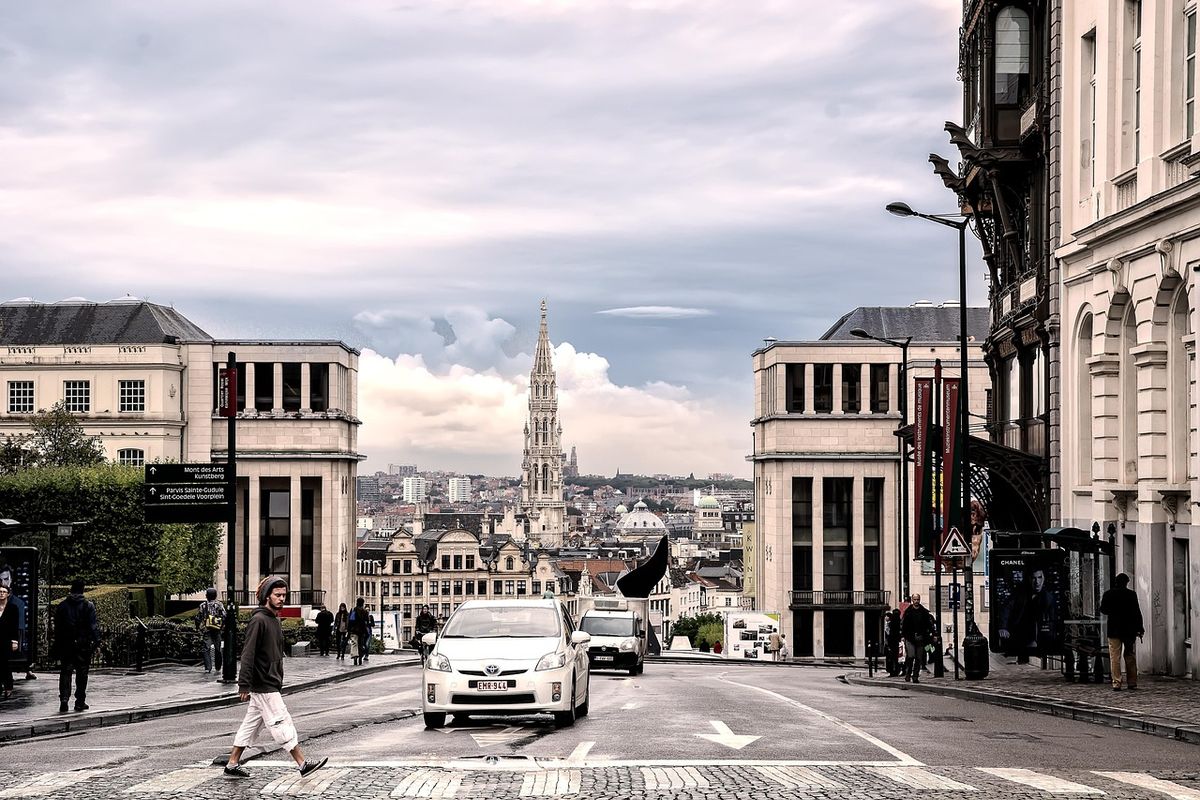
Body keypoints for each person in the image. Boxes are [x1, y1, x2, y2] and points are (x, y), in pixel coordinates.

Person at [224, 576, 327, 779]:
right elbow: (248, 654)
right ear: (266, 596)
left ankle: (232, 764)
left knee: (250, 725)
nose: (282, 598)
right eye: (277, 595)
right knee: (281, 721)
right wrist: (243, 684)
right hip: (264, 683)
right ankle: (302, 763)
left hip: (268, 681)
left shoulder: (273, 620)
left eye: (284, 595)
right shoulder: (259, 620)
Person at [53, 579, 100, 713]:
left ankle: (64, 699)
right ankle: (80, 701)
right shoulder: (88, 606)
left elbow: (57, 627)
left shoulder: (62, 606)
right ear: (83, 589)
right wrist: (97, 642)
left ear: (71, 589)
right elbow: (93, 626)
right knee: (82, 673)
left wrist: (57, 643)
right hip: (82, 644)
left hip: (66, 643)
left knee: (65, 672)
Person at [1100, 573, 1144, 691]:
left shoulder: (1108, 594)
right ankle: (1132, 681)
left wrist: (1113, 611)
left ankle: (1116, 682)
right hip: (1129, 630)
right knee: (1130, 655)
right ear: (1126, 582)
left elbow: (1103, 609)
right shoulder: (1131, 595)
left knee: (1115, 656)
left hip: (1114, 629)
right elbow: (1137, 612)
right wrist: (1140, 628)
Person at [900, 593, 934, 683]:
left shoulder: (924, 612)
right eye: (915, 600)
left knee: (919, 658)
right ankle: (908, 673)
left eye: (918, 599)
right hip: (910, 638)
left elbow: (929, 625)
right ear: (912, 600)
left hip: (920, 638)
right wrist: (904, 636)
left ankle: (915, 676)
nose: (916, 601)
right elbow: (904, 626)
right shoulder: (908, 612)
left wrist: (932, 634)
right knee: (911, 656)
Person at [196, 588, 225, 676]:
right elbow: (224, 615)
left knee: (206, 648)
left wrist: (198, 627)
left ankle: (208, 668)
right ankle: (218, 666)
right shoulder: (219, 604)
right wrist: (222, 625)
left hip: (207, 629)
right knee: (218, 648)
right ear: (215, 595)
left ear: (207, 596)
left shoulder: (203, 605)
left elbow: (198, 617)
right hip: (217, 629)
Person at [0, 584, 18, 699]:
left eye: (3, 592)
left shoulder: (12, 608)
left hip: (6, 639)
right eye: (0, 591)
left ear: (8, 594)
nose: (1, 593)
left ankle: (8, 687)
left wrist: (14, 641)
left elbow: (15, 626)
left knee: (4, 663)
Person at [349, 598, 370, 666]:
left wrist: (349, 629)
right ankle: (360, 657)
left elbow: (351, 620)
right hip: (362, 630)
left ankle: (355, 657)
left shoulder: (354, 610)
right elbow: (367, 621)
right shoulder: (365, 611)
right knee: (361, 644)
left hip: (354, 630)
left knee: (354, 643)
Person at [884, 606, 903, 677]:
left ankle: (892, 671)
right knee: (897, 658)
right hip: (897, 642)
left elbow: (889, 634)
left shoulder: (891, 624)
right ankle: (897, 670)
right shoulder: (899, 622)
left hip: (892, 643)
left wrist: (888, 644)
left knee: (891, 658)